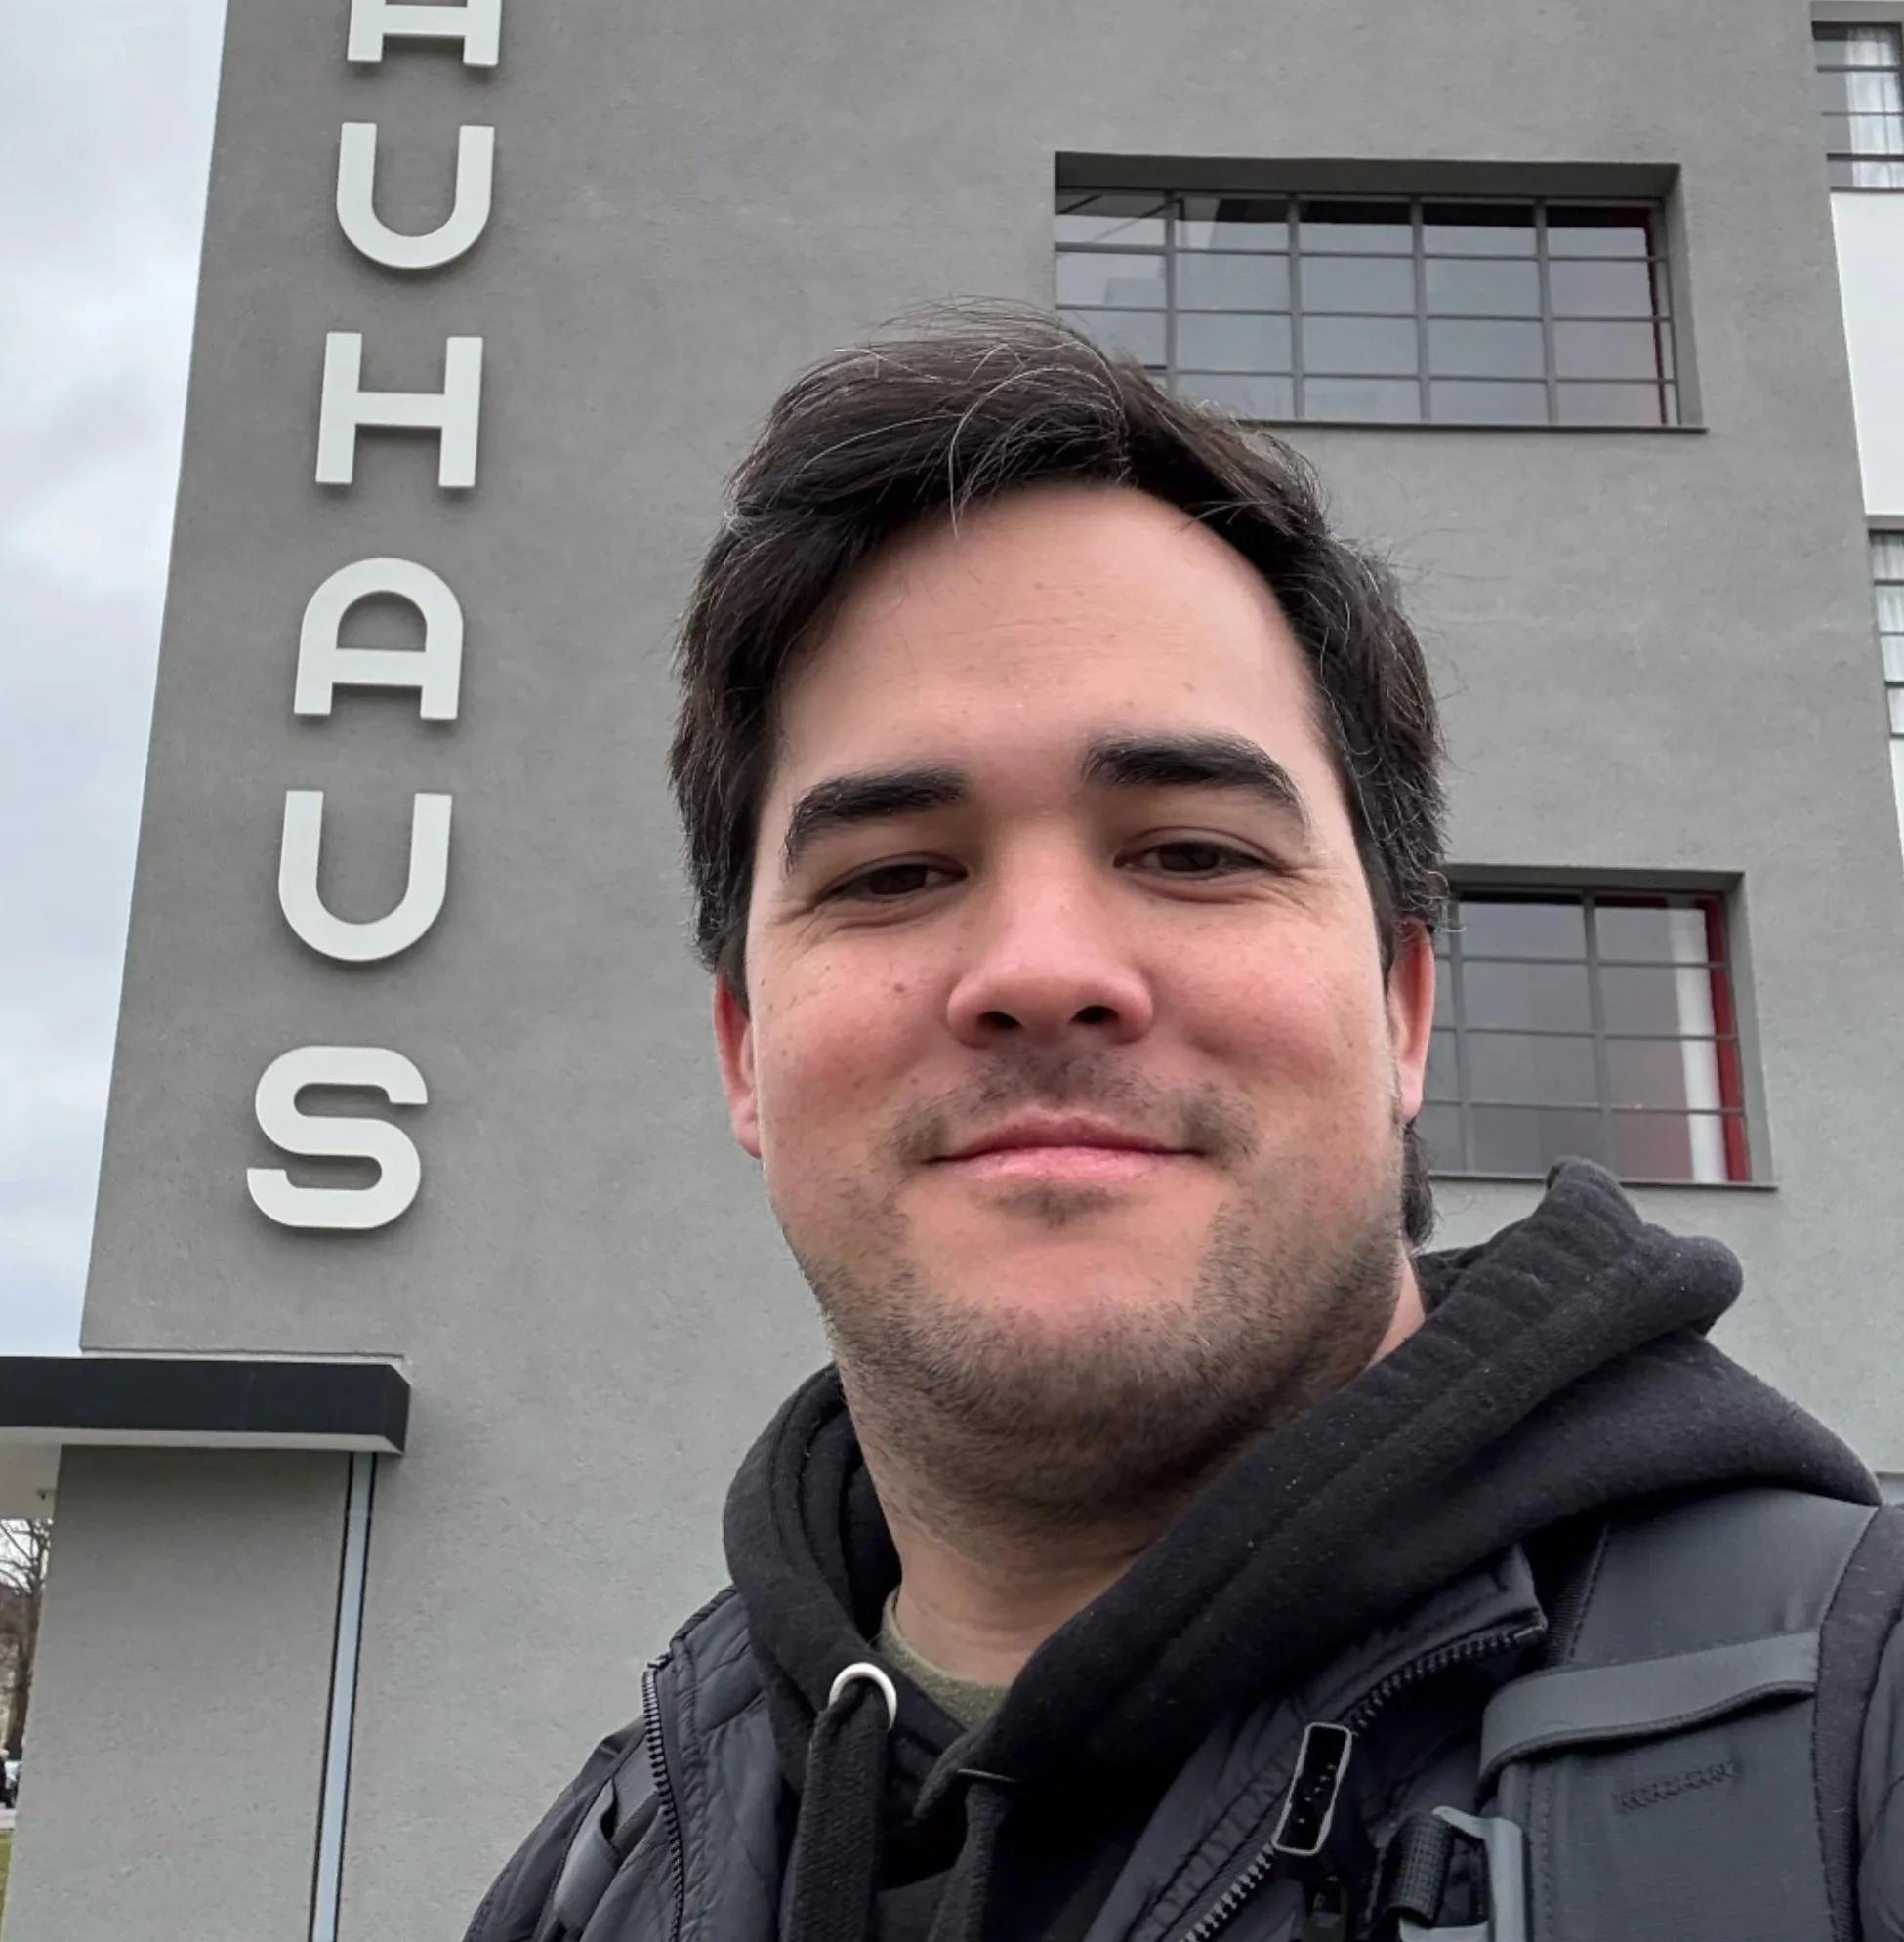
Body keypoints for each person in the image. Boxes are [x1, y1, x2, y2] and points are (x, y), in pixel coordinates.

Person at [467, 313, 1904, 1942]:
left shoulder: (1853, 1735)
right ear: (744, 1052)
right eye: (893, 874)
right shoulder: (605, 1867)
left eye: (1193, 853)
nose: (1041, 971)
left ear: (1400, 1010)